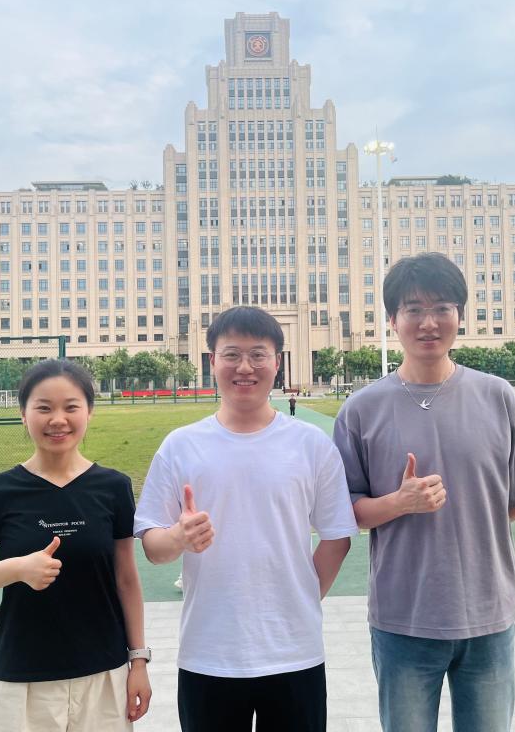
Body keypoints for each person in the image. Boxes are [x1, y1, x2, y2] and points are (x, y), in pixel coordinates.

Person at [333, 252, 515, 732]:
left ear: (460, 315)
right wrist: (399, 503)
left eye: (442, 308)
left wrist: (468, 518)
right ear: (392, 320)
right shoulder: (361, 410)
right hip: (402, 618)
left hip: (488, 615)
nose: (428, 322)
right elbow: (345, 512)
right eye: (413, 309)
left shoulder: (498, 397)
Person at [134, 305, 357, 732]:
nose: (245, 367)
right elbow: (153, 547)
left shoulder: (311, 444)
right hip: (209, 653)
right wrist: (178, 537)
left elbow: (337, 536)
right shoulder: (181, 446)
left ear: (277, 362)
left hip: (294, 652)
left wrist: (303, 596)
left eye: (258, 354)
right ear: (212, 360)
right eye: (232, 354)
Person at [0, 359, 151, 731]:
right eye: (44, 408)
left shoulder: (113, 487)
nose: (57, 420)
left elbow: (126, 580)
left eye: (71, 407)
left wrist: (139, 661)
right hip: (22, 681)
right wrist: (17, 568)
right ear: (24, 415)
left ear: (89, 412)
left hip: (102, 675)